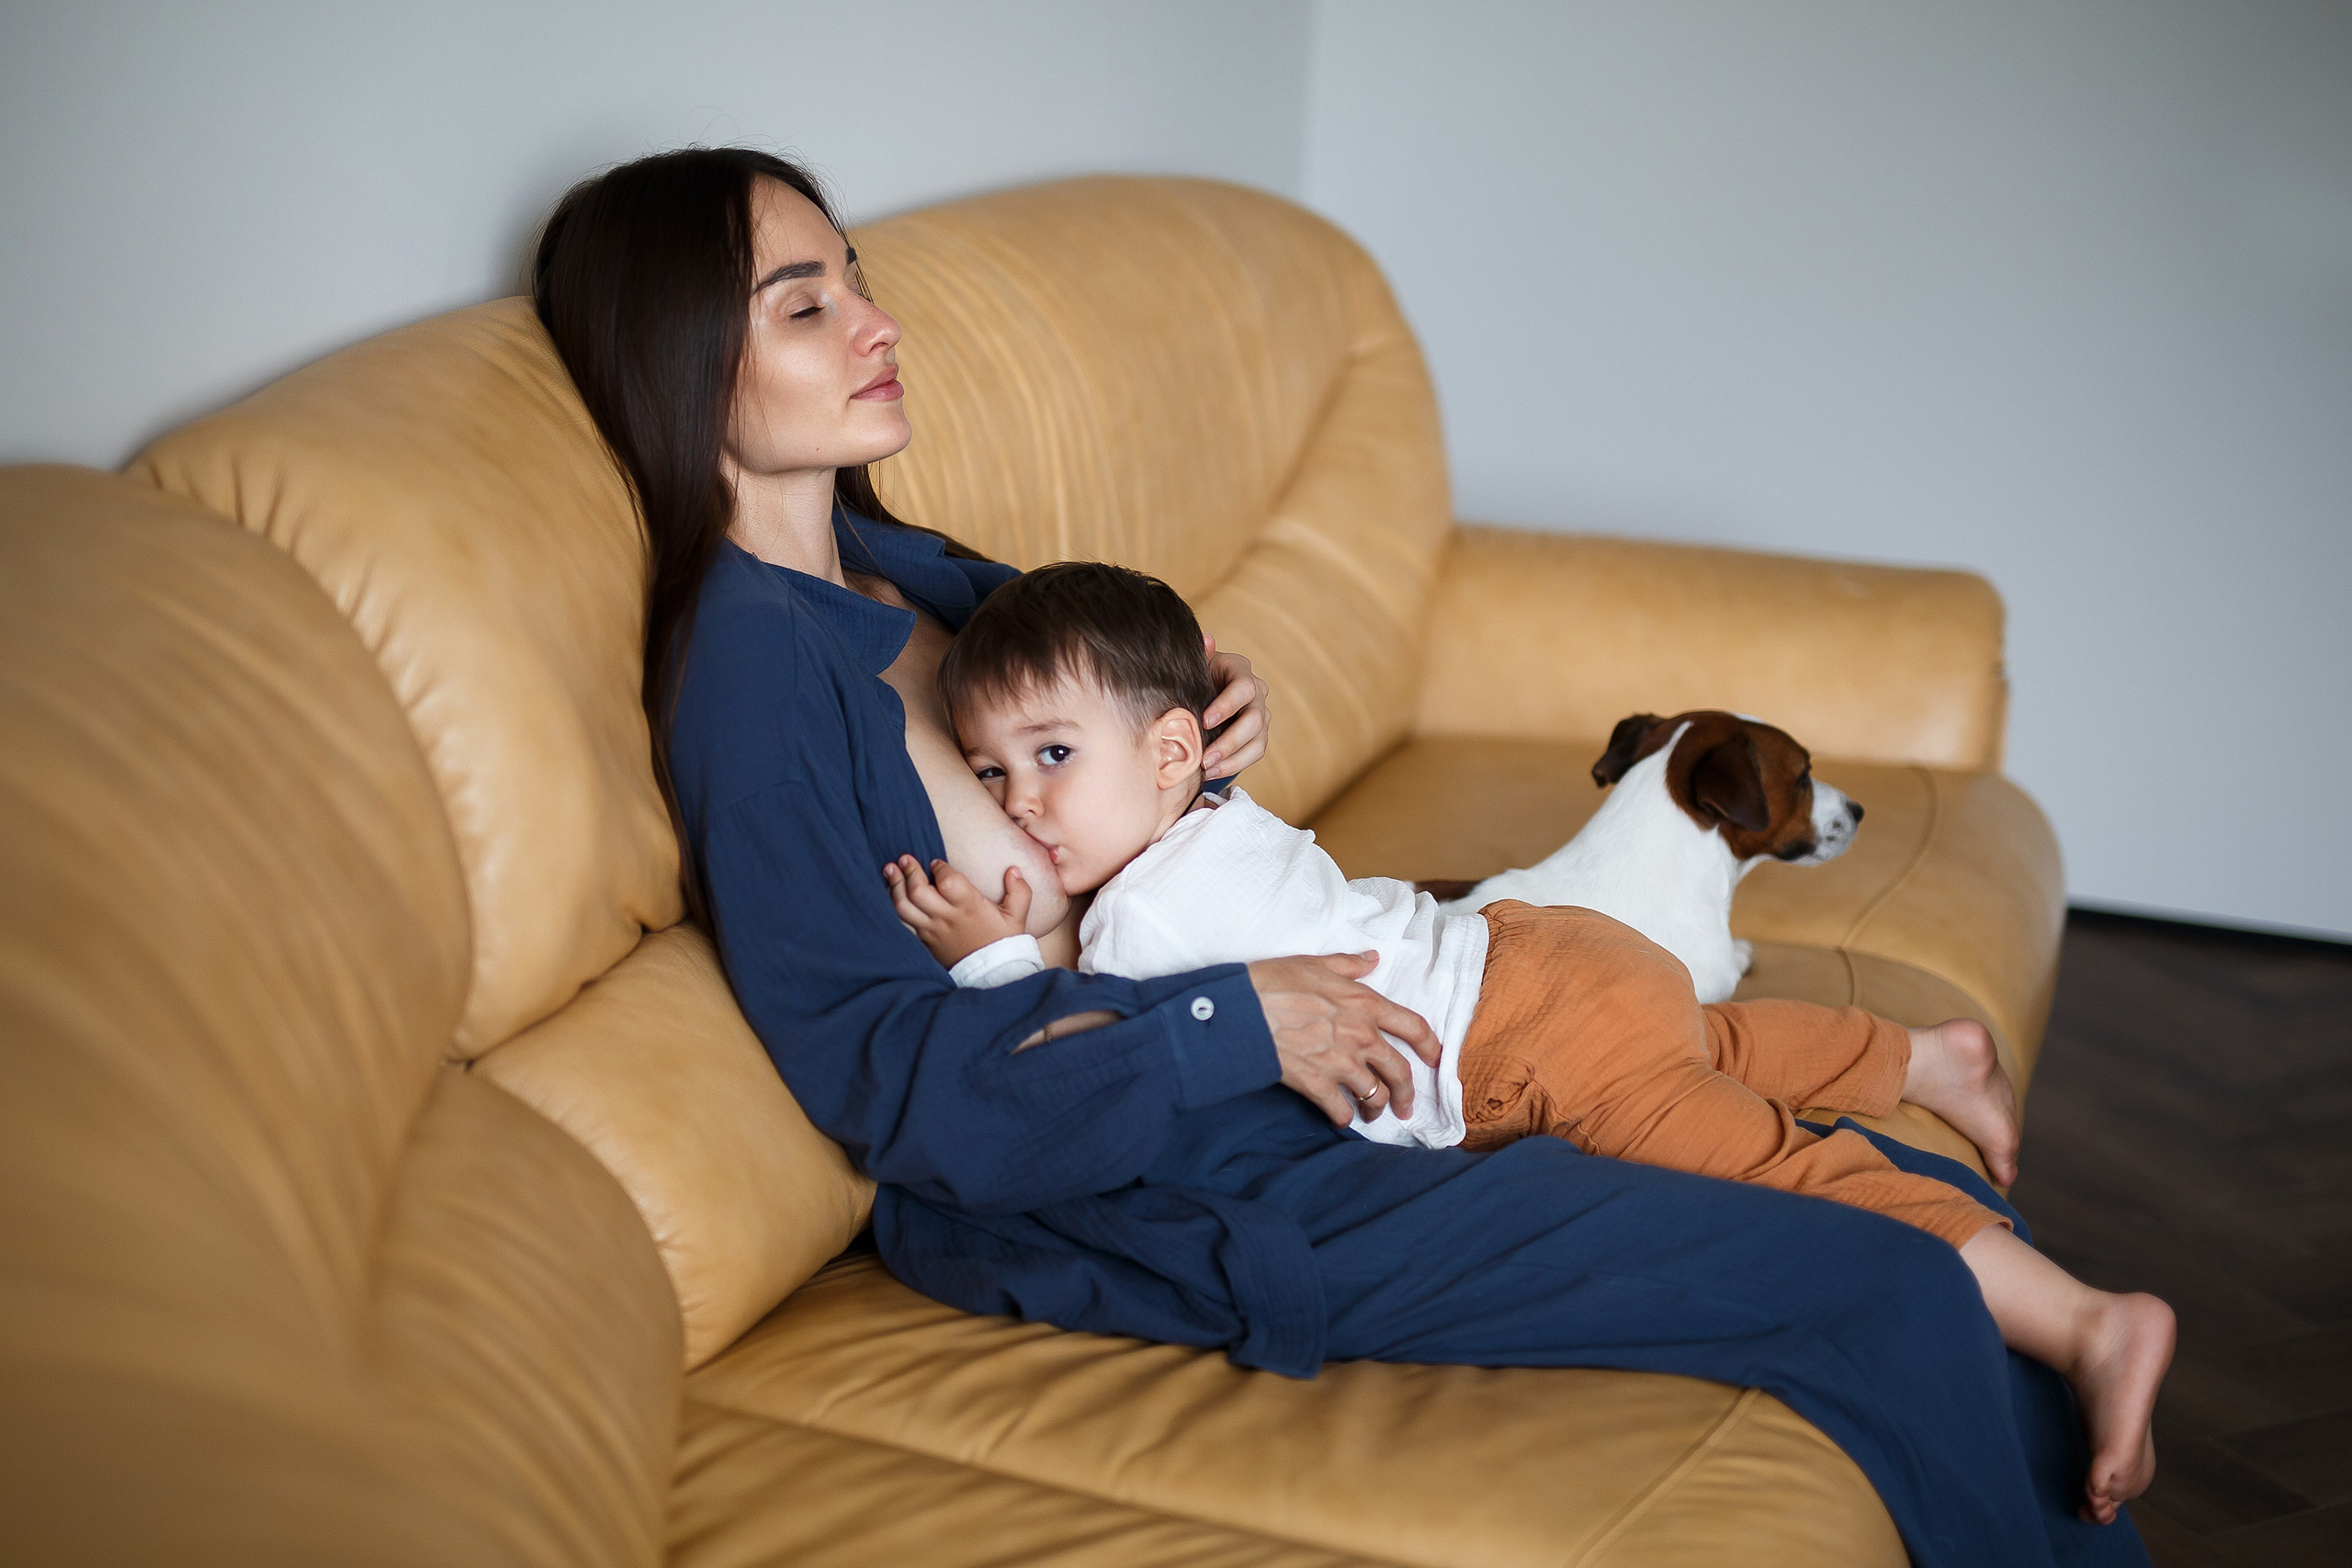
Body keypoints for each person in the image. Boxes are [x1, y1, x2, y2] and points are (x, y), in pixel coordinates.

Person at [532, 144, 2156, 1565]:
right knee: (1881, 1291)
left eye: (860, 281)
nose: (880, 324)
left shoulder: (899, 562)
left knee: (1918, 1181)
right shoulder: (748, 681)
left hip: (1346, 1052)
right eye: (806, 305)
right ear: (683, 359)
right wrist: (1247, 1021)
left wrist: (1203, 706)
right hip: (1175, 1176)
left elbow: (1117, 700)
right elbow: (884, 1079)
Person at [885, 558, 2177, 1517]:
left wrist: (993, 957)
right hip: (1542, 949)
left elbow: (1076, 1050)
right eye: (992, 776)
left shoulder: (1135, 922)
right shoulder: (1215, 812)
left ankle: (2085, 1325)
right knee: (1705, 1046)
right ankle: (1917, 1059)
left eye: (1051, 756)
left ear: (1169, 749)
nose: (1023, 807)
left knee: (1785, 1170)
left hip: (1526, 1051)